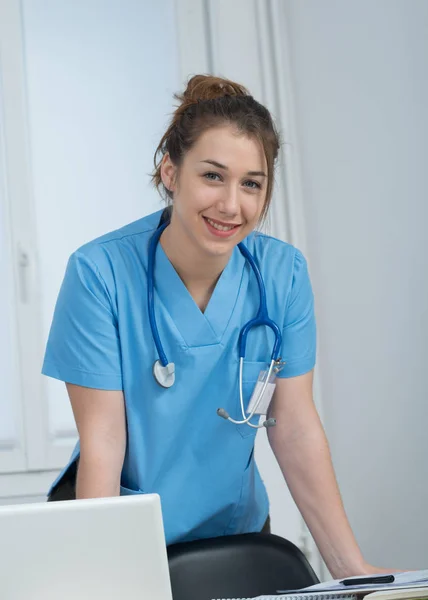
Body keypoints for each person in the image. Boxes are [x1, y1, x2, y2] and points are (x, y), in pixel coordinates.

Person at [43, 75, 386, 578]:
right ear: (170, 172)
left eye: (252, 183)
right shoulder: (100, 273)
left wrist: (352, 571)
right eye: (212, 176)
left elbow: (292, 425)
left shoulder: (281, 275)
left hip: (235, 532)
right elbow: (103, 442)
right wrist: (102, 574)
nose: (231, 205)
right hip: (121, 527)